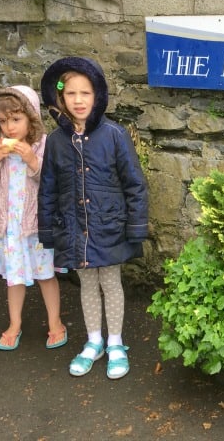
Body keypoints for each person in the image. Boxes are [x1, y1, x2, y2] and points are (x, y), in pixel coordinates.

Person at [38, 57, 148, 379]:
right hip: (73, 228)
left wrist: (136, 226)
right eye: (71, 94)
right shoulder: (56, 142)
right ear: (61, 99)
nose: (78, 100)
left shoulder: (114, 134)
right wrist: (48, 230)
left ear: (97, 95)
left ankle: (115, 342)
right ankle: (94, 341)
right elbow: (47, 188)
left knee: (111, 282)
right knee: (86, 283)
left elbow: (135, 183)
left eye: (85, 93)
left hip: (109, 226)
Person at [0, 85, 67, 351]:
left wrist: (31, 160)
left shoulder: (43, 146)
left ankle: (55, 322)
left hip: (37, 227)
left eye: (16, 119)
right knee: (13, 278)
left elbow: (54, 182)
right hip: (10, 229)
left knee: (46, 275)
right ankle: (14, 324)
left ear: (31, 118)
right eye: (3, 121)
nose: (10, 127)